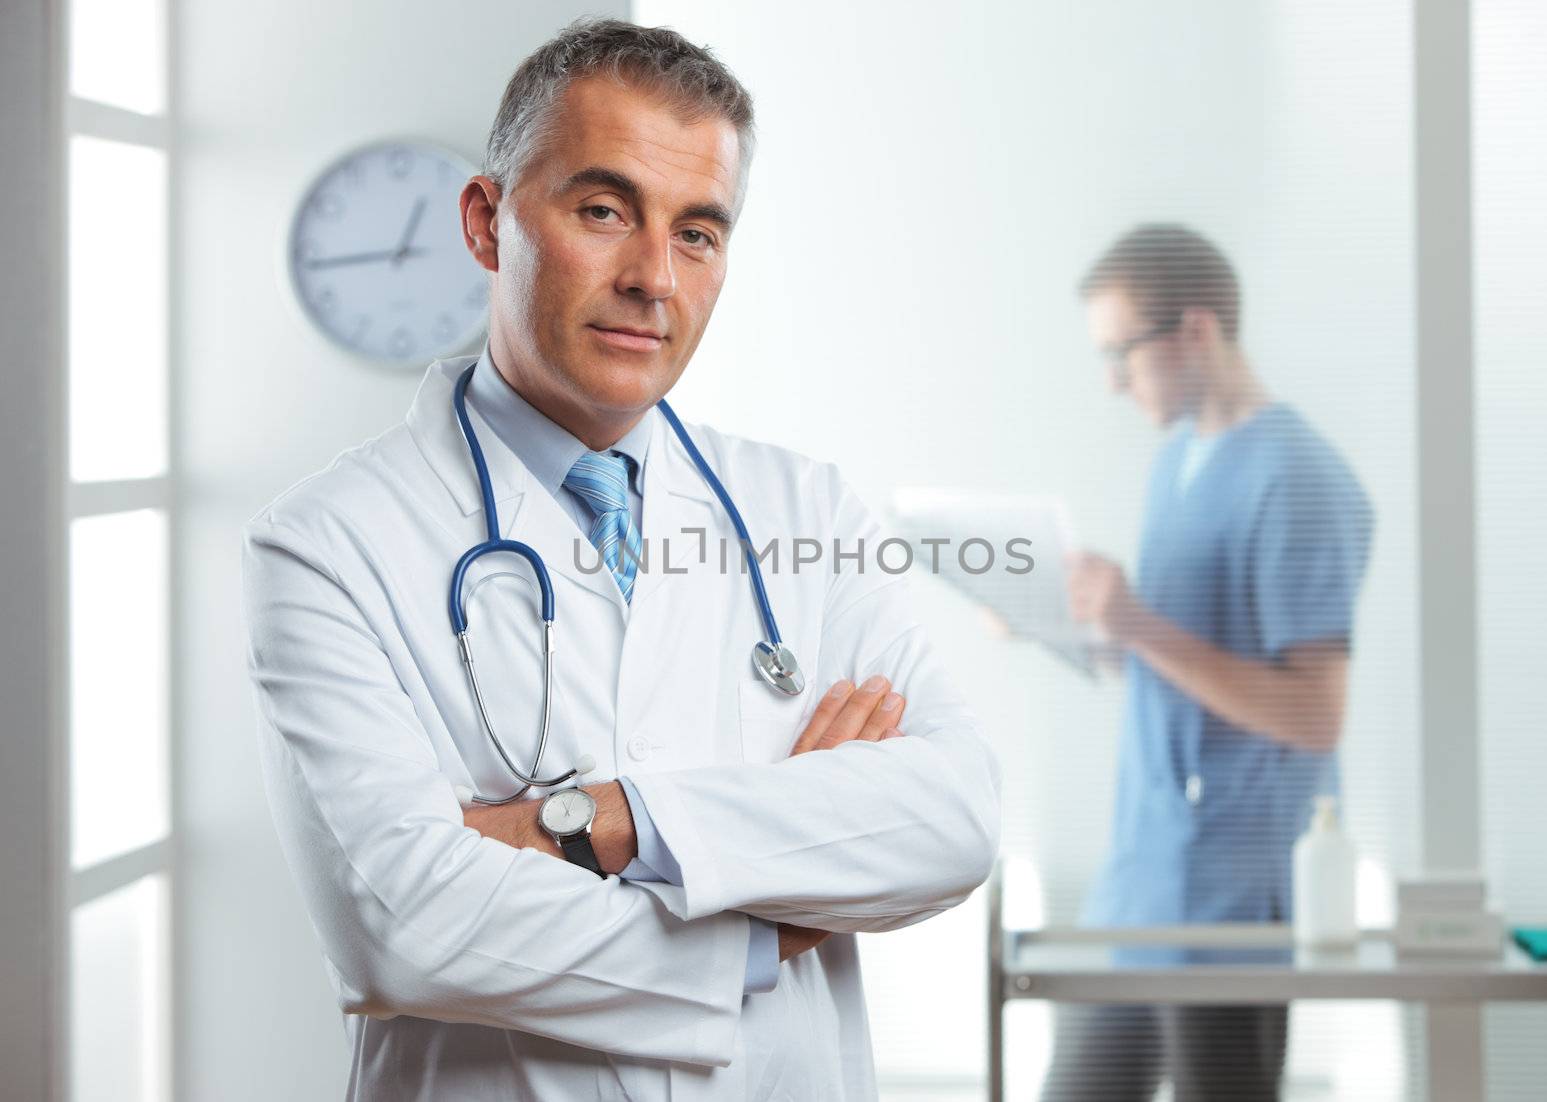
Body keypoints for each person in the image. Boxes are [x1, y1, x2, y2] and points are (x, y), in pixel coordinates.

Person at [241, 19, 1000, 1101]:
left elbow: (953, 816)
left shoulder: (802, 508)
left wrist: (600, 821)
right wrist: (764, 915)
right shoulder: (325, 543)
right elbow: (398, 925)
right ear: (486, 221)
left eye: (698, 232)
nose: (654, 276)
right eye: (604, 211)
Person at [1040, 224, 1374, 1101]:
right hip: (1142, 879)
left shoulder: (1299, 478)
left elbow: (1315, 713)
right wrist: (1076, 628)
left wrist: (1138, 624)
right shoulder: (1177, 460)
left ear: (1195, 330)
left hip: (1231, 894)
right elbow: (1179, 673)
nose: (1112, 381)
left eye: (1122, 353)